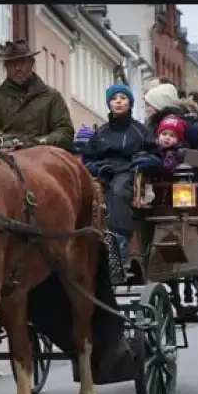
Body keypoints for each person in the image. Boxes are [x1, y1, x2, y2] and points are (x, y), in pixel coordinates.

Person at [82, 83, 162, 264]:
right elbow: (87, 159)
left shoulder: (140, 131)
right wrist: (97, 168)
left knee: (118, 192)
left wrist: (147, 161)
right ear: (108, 104)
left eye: (123, 98)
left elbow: (156, 155)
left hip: (129, 171)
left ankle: (120, 245)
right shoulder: (100, 132)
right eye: (114, 98)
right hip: (104, 173)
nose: (118, 102)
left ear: (130, 103)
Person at [0, 39, 75, 150]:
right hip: (5, 154)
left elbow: (65, 131)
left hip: (43, 156)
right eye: (12, 64)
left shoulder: (52, 97)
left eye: (22, 62)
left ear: (32, 63)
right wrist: (6, 141)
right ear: (6, 66)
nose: (18, 68)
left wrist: (39, 142)